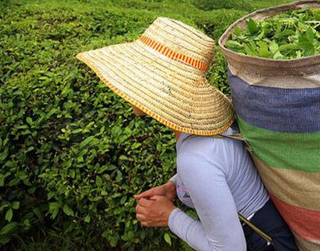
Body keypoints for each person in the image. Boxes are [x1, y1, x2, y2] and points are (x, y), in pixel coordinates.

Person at [76, 17, 299, 251]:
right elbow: (222, 168)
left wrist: (168, 216)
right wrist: (174, 186)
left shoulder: (194, 158)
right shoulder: (207, 130)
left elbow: (228, 249)